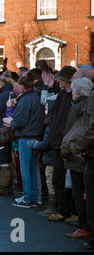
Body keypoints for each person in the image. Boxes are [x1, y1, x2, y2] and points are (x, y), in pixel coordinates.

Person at [61, 66, 94, 249]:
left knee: (80, 194)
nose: (71, 93)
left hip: (78, 154)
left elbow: (72, 132)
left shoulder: (78, 108)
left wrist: (67, 151)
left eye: (73, 91)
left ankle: (84, 227)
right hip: (82, 152)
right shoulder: (86, 104)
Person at [3, 72, 44, 208]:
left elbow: (19, 121)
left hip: (26, 137)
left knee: (25, 169)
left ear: (21, 85)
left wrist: (11, 122)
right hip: (35, 136)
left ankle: (27, 198)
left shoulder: (25, 99)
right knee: (32, 169)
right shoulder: (34, 96)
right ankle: (31, 197)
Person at [47, 66, 78, 223]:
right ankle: (63, 211)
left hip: (69, 145)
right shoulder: (61, 94)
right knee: (58, 179)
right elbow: (54, 114)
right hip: (58, 143)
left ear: (67, 80)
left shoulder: (74, 96)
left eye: (60, 78)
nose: (57, 81)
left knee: (72, 182)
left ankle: (74, 212)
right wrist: (52, 128)